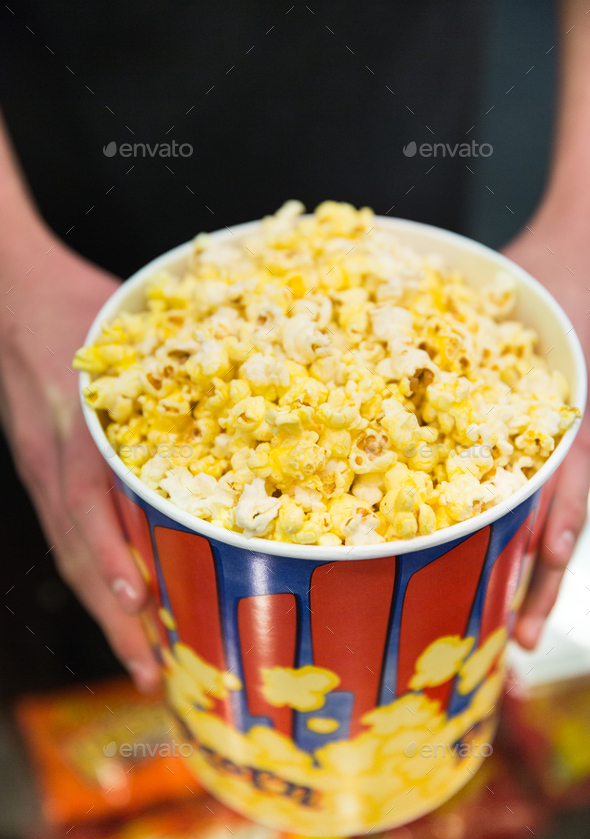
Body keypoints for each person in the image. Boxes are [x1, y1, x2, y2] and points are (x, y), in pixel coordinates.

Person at [0, 2, 587, 693]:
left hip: (398, 141)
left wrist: (580, 234)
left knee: (419, 690)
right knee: (80, 650)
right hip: (73, 186)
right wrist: (16, 277)